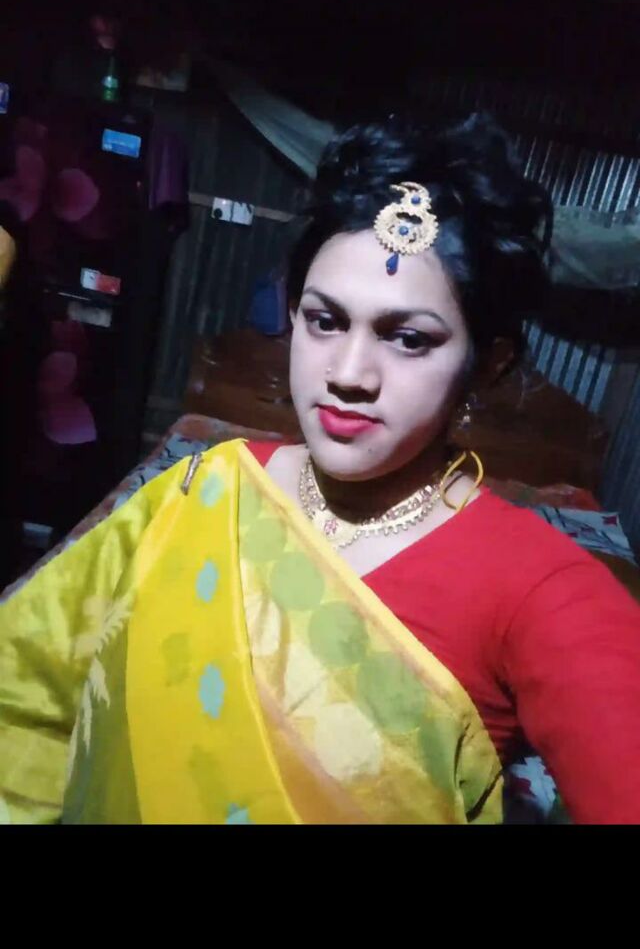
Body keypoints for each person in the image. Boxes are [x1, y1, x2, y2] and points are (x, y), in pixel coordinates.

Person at [2, 112, 640, 825]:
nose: (348, 374)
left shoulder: (541, 587)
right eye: (325, 321)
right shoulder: (207, 486)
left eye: (407, 338)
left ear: (485, 365)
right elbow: (26, 689)